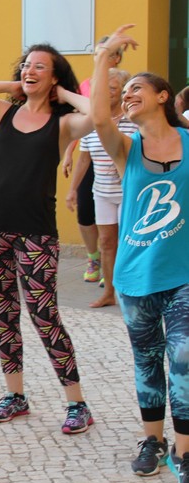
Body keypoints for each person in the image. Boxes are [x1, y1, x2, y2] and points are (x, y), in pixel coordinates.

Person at [0, 44, 96, 434]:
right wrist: (14, 86)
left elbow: (97, 114)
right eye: (26, 65)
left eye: (40, 67)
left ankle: (77, 403)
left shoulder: (62, 124)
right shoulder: (3, 112)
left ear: (55, 76)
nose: (30, 70)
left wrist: (62, 94)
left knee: (44, 315)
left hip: (35, 231)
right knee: (4, 313)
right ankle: (15, 396)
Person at [91, 25, 189, 483]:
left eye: (136, 89)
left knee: (184, 357)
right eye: (124, 91)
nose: (127, 96)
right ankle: (153, 439)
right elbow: (99, 118)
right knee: (146, 360)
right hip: (134, 275)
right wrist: (103, 58)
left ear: (162, 96)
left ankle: (184, 451)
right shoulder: (127, 149)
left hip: (183, 273)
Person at [66, 68, 137, 308]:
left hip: (130, 194)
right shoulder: (93, 122)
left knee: (128, 243)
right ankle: (109, 293)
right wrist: (73, 189)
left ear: (123, 91)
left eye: (113, 88)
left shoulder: (134, 121)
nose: (107, 93)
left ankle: (130, 290)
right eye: (102, 88)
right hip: (102, 192)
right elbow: (84, 159)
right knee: (106, 242)